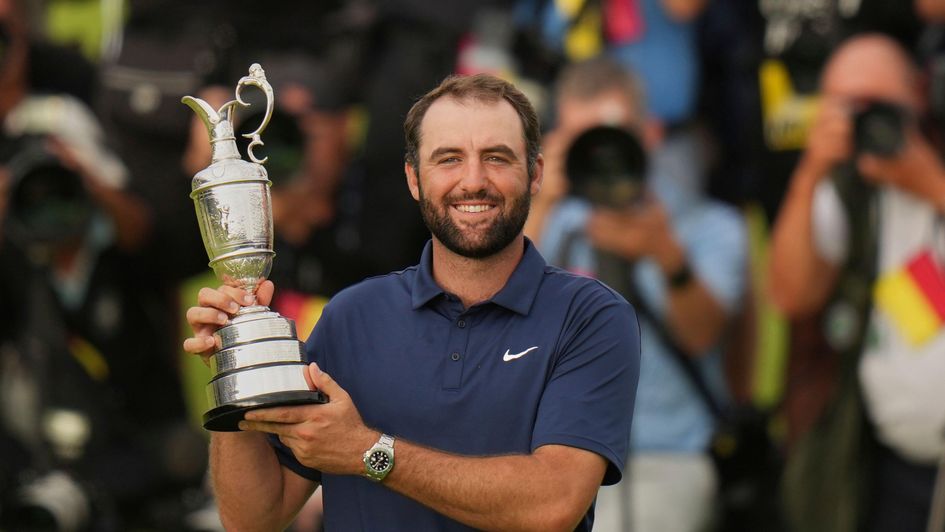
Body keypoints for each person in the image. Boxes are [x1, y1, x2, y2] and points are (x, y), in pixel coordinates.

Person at [183, 73, 640, 530]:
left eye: (497, 158)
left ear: (535, 173)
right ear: (414, 179)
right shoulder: (351, 315)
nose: (473, 181)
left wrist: (369, 452)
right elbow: (252, 518)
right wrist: (235, 370)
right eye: (449, 159)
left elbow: (553, 505)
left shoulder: (591, 316)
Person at [528, 57, 748, 532]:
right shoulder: (556, 226)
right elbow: (498, 308)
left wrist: (668, 258)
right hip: (560, 452)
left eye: (614, 136)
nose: (602, 156)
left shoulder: (711, 228)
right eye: (584, 142)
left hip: (671, 453)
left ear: (649, 135)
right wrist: (542, 197)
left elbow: (703, 336)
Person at [769, 33, 945, 532]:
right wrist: (811, 171)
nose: (868, 120)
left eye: (879, 105)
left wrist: (930, 183)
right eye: (849, 106)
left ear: (918, 94)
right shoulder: (845, 188)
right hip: (888, 461)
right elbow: (790, 295)